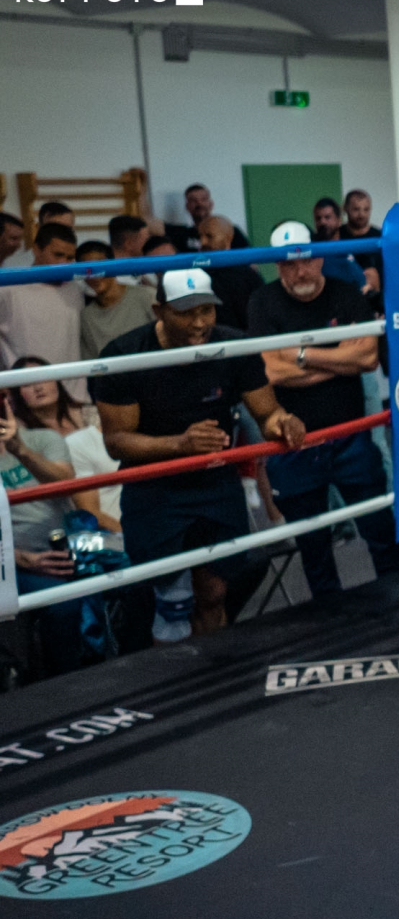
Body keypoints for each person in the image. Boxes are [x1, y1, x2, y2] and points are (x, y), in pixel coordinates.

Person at [92, 270, 304, 636]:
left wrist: (284, 423)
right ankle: (173, 668)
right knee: (169, 602)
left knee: (215, 592)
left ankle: (213, 668)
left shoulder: (234, 346)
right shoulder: (124, 356)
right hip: (155, 488)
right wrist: (179, 444)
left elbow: (267, 414)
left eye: (207, 310)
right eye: (186, 313)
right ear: (159, 310)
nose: (199, 322)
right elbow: (116, 441)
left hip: (215, 481)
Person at [247, 223, 399, 597]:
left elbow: (366, 358)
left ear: (319, 258)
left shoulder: (344, 292)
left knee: (381, 532)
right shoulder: (262, 301)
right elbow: (269, 371)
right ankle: (331, 623)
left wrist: (300, 354)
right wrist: (337, 359)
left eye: (305, 261)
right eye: (287, 264)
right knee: (314, 549)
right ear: (276, 266)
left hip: (350, 434)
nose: (299, 271)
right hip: (293, 443)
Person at [0, 387, 99, 675]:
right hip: (11, 561)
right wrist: (20, 558)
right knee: (61, 603)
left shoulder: (43, 439)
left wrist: (19, 449)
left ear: (7, 402)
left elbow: (64, 482)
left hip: (66, 547)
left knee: (131, 571)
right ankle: (54, 684)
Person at [10, 356, 121, 531]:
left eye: (42, 377)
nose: (38, 387)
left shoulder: (93, 414)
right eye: (27, 384)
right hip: (61, 518)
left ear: (56, 379)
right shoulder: (20, 437)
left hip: (117, 501)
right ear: (17, 394)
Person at [0, 223, 82, 372]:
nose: (63, 263)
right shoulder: (8, 289)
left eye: (70, 258)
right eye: (58, 255)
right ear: (37, 250)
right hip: (25, 382)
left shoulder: (76, 289)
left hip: (73, 383)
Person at [76, 242, 156, 360]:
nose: (94, 275)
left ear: (113, 265)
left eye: (99, 267)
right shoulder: (87, 316)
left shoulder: (146, 296)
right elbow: (92, 361)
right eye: (87, 271)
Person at [197, 215, 266, 330]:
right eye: (200, 236)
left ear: (228, 238)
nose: (203, 242)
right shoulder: (197, 276)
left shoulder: (248, 276)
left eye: (209, 236)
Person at [167, 184, 249, 252]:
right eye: (193, 200)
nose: (199, 203)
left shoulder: (231, 231)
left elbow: (250, 262)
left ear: (211, 204)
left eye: (203, 199)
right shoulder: (179, 234)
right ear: (187, 206)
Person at [342, 189, 384, 297]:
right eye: (356, 209)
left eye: (366, 209)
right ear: (345, 208)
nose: (361, 214)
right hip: (346, 294)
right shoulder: (338, 236)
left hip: (376, 297)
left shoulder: (380, 237)